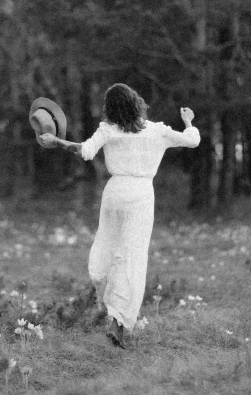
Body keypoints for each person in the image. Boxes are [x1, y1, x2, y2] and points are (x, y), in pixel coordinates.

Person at [39, 83, 200, 348]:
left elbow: (84, 151)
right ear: (136, 103)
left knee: (109, 246)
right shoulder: (157, 131)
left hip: (114, 193)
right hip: (140, 195)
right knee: (131, 257)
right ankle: (118, 321)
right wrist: (188, 121)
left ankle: (104, 299)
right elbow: (193, 140)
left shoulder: (108, 130)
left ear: (111, 109)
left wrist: (56, 141)